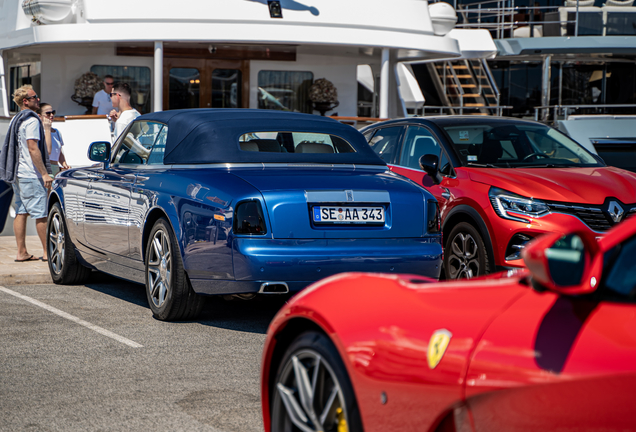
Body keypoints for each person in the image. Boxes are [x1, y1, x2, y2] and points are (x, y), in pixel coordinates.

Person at [0, 85, 53, 262]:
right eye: (35, 97)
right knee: (41, 214)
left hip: (18, 173)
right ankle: (48, 253)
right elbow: (33, 148)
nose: (38, 99)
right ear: (26, 101)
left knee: (21, 211)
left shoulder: (17, 118)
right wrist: (44, 173)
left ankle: (21, 252)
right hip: (31, 175)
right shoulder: (31, 120)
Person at [38, 103, 70, 176]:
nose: (51, 115)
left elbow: (59, 151)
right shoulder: (39, 131)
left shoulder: (57, 132)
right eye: (48, 113)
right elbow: (46, 151)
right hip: (45, 167)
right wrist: (47, 129)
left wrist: (64, 163)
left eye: (53, 112)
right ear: (39, 116)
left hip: (55, 167)